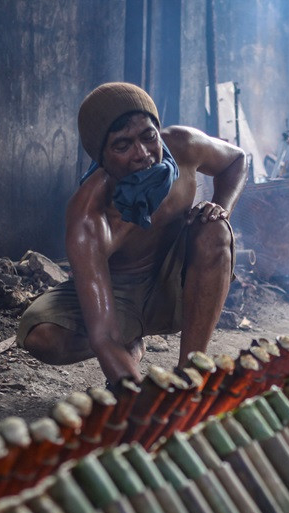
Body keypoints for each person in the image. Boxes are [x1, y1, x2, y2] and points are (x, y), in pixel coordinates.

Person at [17, 82, 248, 384]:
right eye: (122, 146)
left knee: (214, 230)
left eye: (148, 137)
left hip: (177, 285)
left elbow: (236, 160)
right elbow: (104, 335)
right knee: (43, 337)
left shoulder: (182, 146)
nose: (143, 154)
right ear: (102, 157)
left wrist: (221, 207)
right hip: (116, 296)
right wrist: (137, 396)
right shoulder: (89, 215)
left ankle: (191, 373)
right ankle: (130, 345)